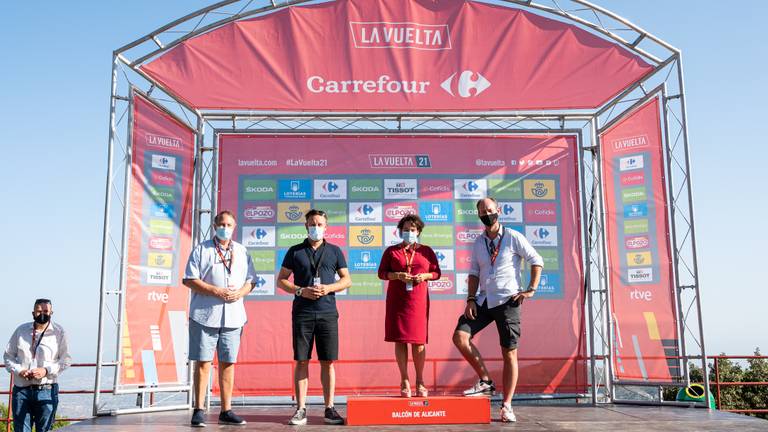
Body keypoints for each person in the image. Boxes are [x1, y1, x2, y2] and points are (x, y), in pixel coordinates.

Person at [452, 197, 543, 423]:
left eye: (490, 210)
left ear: (498, 211)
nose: (487, 214)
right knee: (460, 336)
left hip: (507, 300)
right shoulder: (478, 242)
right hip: (483, 300)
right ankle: (485, 381)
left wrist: (530, 289)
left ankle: (507, 405)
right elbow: (473, 273)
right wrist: (471, 299)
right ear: (479, 215)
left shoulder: (513, 237)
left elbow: (536, 260)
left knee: (509, 353)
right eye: (483, 211)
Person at [277, 209, 351, 426]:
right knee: (302, 360)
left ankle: (329, 408)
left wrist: (328, 288)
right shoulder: (295, 251)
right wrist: (300, 290)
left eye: (319, 224)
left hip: (328, 312)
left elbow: (346, 280)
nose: (315, 227)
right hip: (303, 313)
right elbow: (281, 280)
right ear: (306, 226)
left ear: (326, 227)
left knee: (328, 362)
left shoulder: (335, 251)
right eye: (312, 224)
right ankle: (300, 408)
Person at [183, 210, 256, 427]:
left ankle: (226, 410)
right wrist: (216, 291)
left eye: (230, 224)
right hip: (205, 316)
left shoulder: (242, 251)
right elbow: (189, 279)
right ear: (215, 226)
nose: (226, 227)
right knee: (204, 362)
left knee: (228, 363)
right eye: (222, 224)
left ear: (235, 227)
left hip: (234, 317)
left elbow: (251, 280)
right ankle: (198, 409)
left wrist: (239, 293)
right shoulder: (201, 249)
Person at [377, 214, 441, 398]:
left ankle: (420, 381)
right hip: (397, 301)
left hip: (418, 302)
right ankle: (404, 380)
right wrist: (397, 276)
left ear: (418, 231)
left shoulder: (426, 251)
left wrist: (425, 276)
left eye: (412, 230)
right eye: (405, 230)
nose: (409, 233)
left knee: (419, 342)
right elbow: (381, 273)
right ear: (400, 231)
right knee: (400, 340)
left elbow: (436, 272)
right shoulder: (391, 251)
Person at [4, 298, 71, 432]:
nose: (42, 314)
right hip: (22, 390)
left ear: (52, 312)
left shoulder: (59, 332)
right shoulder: (20, 331)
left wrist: (46, 371)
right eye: (39, 311)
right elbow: (8, 356)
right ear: (33, 312)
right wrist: (19, 371)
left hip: (47, 389)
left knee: (45, 430)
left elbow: (66, 360)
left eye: (46, 311)